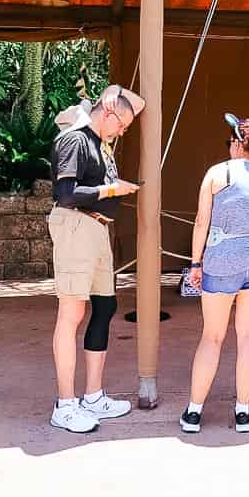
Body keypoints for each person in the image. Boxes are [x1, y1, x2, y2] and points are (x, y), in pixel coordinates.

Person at [43, 84, 144, 434]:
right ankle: (66, 404)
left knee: (104, 307)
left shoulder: (100, 144)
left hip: (98, 228)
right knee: (71, 313)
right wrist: (112, 190)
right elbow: (66, 194)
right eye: (123, 124)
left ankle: (93, 396)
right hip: (76, 226)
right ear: (108, 110)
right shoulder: (75, 140)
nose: (123, 131)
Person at [182, 115, 249, 434]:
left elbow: (202, 222)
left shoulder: (217, 174)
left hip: (221, 261)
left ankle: (194, 412)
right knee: (248, 336)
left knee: (212, 337)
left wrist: (195, 264)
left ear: (240, 144)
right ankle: (243, 412)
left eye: (230, 141)